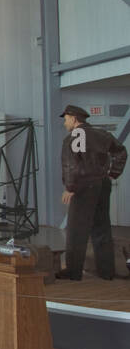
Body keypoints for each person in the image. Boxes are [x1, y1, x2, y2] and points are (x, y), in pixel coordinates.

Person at [57, 105, 127, 280]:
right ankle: (107, 272)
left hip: (83, 186)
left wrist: (70, 188)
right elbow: (121, 152)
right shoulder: (103, 134)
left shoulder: (72, 137)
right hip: (103, 184)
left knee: (76, 230)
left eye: (66, 119)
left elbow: (72, 165)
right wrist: (113, 174)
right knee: (101, 227)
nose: (65, 123)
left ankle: (73, 272)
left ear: (74, 118)